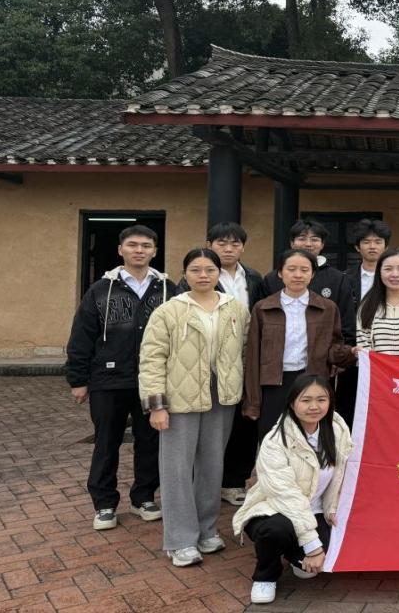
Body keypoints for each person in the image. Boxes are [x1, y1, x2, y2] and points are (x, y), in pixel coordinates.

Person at [139, 248, 250, 567]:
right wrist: (156, 406)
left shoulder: (235, 308)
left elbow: (244, 351)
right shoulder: (169, 311)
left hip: (221, 396)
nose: (203, 275)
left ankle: (206, 530)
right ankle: (180, 540)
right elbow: (151, 359)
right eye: (196, 270)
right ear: (185, 274)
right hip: (179, 397)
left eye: (210, 270)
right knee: (176, 468)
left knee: (212, 466)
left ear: (218, 273)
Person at [66, 224, 176, 531]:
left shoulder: (168, 289)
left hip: (153, 381)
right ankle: (104, 504)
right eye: (133, 245)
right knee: (106, 443)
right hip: (108, 381)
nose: (139, 250)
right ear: (120, 250)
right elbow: (81, 335)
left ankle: (144, 497)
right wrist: (78, 379)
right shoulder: (101, 290)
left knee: (150, 442)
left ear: (155, 251)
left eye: (146, 246)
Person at [232, 374, 353, 605]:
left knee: (321, 561)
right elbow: (287, 497)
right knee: (275, 531)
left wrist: (333, 509)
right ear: (292, 403)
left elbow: (341, 477)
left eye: (321, 399)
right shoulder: (275, 441)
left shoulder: (337, 430)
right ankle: (266, 576)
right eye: (306, 400)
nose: (314, 406)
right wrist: (313, 546)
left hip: (314, 511)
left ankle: (296, 555)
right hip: (274, 509)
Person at [178, 222, 264, 508]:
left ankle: (233, 482)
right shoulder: (195, 278)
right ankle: (200, 485)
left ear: (243, 247)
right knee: (206, 430)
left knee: (243, 425)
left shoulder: (254, 277)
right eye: (221, 243)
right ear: (209, 245)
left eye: (235, 244)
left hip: (241, 359)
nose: (228, 249)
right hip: (204, 363)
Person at [244, 250, 351, 434]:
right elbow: (253, 356)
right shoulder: (263, 308)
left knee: (309, 437)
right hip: (273, 383)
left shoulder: (327, 308)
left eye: (304, 270)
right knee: (273, 436)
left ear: (313, 274)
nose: (298, 275)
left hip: (312, 380)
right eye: (291, 269)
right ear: (280, 273)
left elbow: (334, 347)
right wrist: (253, 402)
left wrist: (349, 353)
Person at [259, 219, 355, 346]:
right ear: (292, 243)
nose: (308, 244)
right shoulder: (272, 279)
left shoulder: (338, 279)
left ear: (322, 244)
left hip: (323, 353)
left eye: (314, 239)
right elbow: (261, 321)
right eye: (302, 239)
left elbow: (346, 325)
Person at [346, 218, 391, 303]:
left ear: (386, 247)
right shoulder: (345, 278)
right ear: (357, 247)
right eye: (366, 242)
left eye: (378, 242)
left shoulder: (395, 276)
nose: (372, 246)